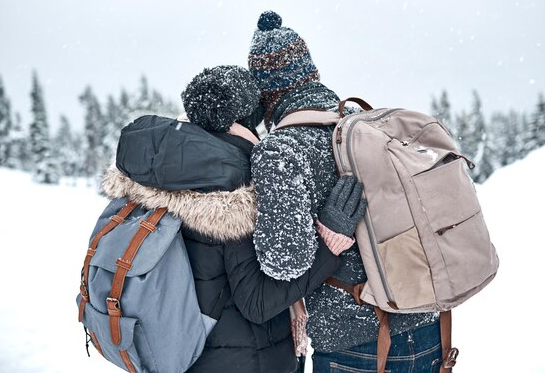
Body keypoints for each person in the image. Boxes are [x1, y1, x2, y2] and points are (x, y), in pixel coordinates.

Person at [103, 65, 364, 373]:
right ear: (247, 119)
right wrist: (329, 243)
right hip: (245, 361)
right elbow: (258, 303)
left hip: (189, 356)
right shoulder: (232, 186)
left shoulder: (161, 167)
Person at [247, 11, 443, 372]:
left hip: (356, 344)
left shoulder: (280, 150)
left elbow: (283, 261)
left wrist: (330, 233)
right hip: (427, 323)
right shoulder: (360, 124)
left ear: (265, 95)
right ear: (312, 74)